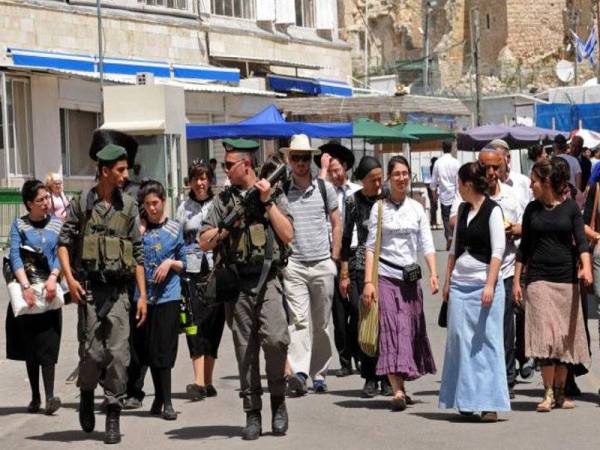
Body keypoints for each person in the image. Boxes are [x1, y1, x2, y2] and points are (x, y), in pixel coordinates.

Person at [199, 147, 293, 441]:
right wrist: (230, 227)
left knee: (277, 340)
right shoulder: (223, 201)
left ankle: (278, 401)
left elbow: (288, 234)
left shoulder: (273, 192)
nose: (224, 171)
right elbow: (204, 241)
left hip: (269, 280)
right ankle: (252, 412)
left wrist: (267, 203)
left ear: (246, 164)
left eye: (229, 165)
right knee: (245, 352)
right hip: (238, 285)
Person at [58, 144, 147, 444]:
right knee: (92, 353)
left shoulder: (130, 206)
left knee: (119, 356)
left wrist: (142, 296)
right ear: (105, 170)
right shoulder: (81, 203)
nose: (125, 175)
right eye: (120, 170)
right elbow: (63, 242)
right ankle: (86, 391)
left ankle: (112, 412)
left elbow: (137, 254)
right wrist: (69, 279)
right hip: (90, 290)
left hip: (120, 291)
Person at [513, 158, 592, 412]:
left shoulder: (570, 208)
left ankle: (560, 392)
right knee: (546, 337)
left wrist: (586, 267)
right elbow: (523, 248)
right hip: (538, 280)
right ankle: (547, 393)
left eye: (534, 181)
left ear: (546, 182)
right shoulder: (531, 210)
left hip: (566, 281)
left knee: (563, 339)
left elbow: (581, 241)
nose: (530, 186)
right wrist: (517, 280)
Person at [362, 155, 438, 411]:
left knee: (408, 329)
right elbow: (371, 247)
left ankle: (402, 385)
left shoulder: (416, 208)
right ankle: (397, 390)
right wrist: (368, 282)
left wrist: (434, 272)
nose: (402, 178)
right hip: (385, 277)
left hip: (410, 279)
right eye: (397, 174)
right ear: (389, 178)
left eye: (405, 173)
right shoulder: (379, 208)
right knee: (391, 330)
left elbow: (427, 243)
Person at [439, 162, 509, 422]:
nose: (457, 188)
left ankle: (490, 403)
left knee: (486, 343)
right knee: (459, 340)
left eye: (459, 183)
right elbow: (454, 248)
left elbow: (497, 251)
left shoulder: (493, 210)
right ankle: (466, 399)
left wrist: (490, 284)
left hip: (483, 285)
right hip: (460, 284)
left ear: (468, 185)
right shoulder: (462, 209)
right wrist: (448, 281)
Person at [282, 134, 341, 396]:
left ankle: (319, 373)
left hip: (321, 262)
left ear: (311, 159)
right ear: (289, 159)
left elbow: (337, 223)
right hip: (293, 264)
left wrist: (334, 257)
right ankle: (300, 373)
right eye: (296, 158)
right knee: (299, 321)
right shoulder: (282, 190)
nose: (301, 163)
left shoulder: (324, 188)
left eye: (305, 158)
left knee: (320, 322)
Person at [6, 180, 63, 415]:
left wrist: (53, 278)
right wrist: (25, 286)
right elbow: (15, 257)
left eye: (47, 198)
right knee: (31, 347)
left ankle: (50, 397)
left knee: (49, 345)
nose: (45, 203)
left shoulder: (57, 224)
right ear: (29, 203)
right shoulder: (19, 225)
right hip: (28, 292)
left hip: (50, 291)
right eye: (40, 200)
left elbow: (61, 253)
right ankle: (35, 397)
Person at [339, 156, 391, 397]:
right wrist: (344, 272)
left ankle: (387, 376)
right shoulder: (352, 202)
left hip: (387, 265)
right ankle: (370, 376)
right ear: (363, 180)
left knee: (386, 322)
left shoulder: (388, 199)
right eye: (373, 179)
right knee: (366, 320)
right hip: (361, 266)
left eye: (380, 178)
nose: (378, 183)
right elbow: (346, 237)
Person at [135, 180, 186, 420]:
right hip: (145, 298)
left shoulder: (175, 228)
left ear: (164, 201)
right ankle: (157, 396)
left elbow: (185, 261)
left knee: (165, 350)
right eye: (147, 204)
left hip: (169, 296)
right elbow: (133, 260)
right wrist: (139, 233)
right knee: (149, 349)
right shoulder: (139, 231)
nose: (152, 208)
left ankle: (167, 402)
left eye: (155, 203)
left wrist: (170, 263)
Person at [176, 160, 225, 401]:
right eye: (196, 178)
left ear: (210, 180)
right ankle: (197, 381)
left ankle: (208, 380)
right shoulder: (183, 208)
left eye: (204, 177)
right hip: (192, 272)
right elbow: (177, 239)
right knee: (193, 323)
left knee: (214, 325)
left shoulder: (219, 204)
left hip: (215, 271)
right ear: (190, 182)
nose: (200, 182)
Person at [315, 141, 362, 377]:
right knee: (339, 312)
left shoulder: (356, 192)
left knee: (357, 305)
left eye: (337, 169)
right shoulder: (322, 191)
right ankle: (345, 361)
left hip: (354, 253)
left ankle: (359, 351)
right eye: (330, 170)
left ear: (345, 167)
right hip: (331, 254)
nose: (335, 174)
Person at [430, 139, 460, 250]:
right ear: (451, 148)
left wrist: (434, 196)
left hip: (444, 196)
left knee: (446, 218)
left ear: (442, 148)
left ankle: (449, 236)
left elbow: (433, 181)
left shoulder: (438, 162)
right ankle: (454, 237)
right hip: (456, 195)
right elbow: (459, 181)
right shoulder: (456, 162)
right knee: (456, 218)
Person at [490, 139, 532, 211]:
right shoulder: (484, 186)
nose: (491, 171)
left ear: (508, 158)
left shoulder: (524, 182)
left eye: (496, 164)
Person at [428, 157, 439, 227]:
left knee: (433, 204)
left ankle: (433, 221)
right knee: (434, 205)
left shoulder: (430, 168)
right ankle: (433, 222)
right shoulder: (435, 169)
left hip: (430, 187)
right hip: (434, 188)